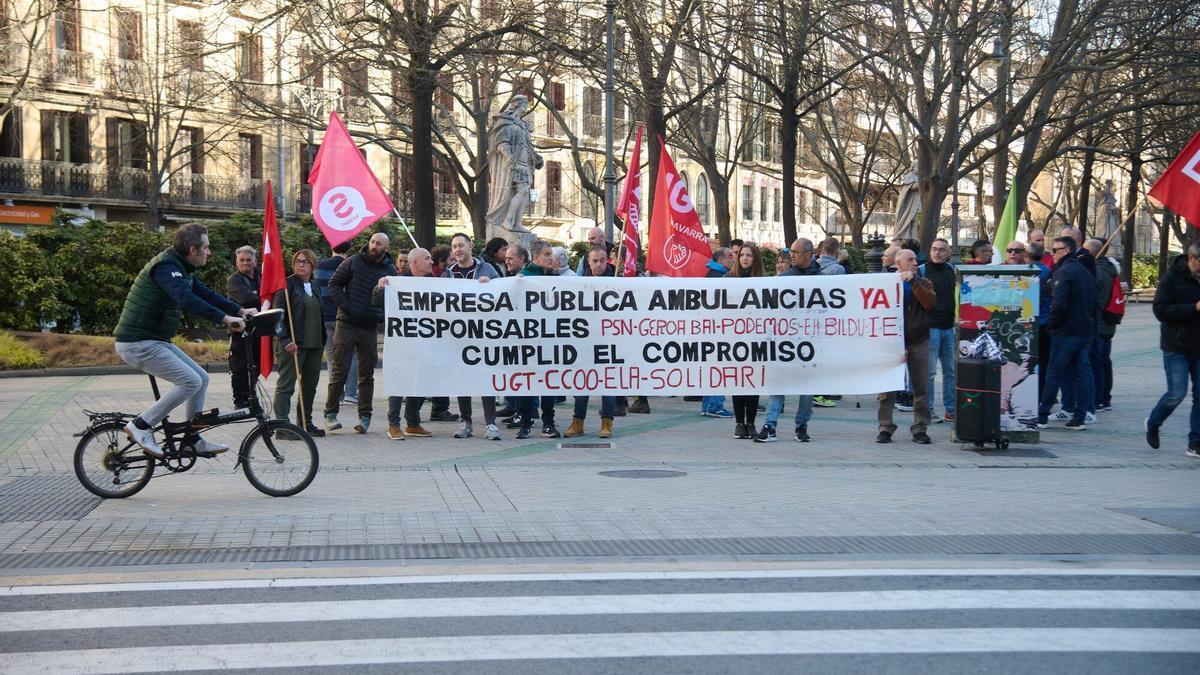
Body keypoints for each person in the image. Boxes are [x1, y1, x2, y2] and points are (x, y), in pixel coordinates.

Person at [113, 223, 254, 458]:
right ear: (192, 249)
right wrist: (224, 318)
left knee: (201, 378)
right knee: (190, 381)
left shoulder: (182, 268)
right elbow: (186, 299)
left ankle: (192, 439)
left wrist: (240, 311)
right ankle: (141, 426)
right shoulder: (166, 267)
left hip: (155, 340)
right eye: (206, 247)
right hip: (138, 343)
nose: (209, 252)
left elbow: (205, 294)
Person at [324, 232, 397, 434]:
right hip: (346, 324)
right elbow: (334, 284)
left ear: (386, 248)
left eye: (379, 243)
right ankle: (330, 414)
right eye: (373, 242)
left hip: (369, 327)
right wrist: (347, 307)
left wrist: (380, 315)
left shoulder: (390, 270)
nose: (374, 246)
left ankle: (365, 417)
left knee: (367, 374)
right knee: (340, 370)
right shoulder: (353, 261)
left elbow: (395, 298)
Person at [756, 238, 821, 443]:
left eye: (795, 251)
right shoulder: (784, 278)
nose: (791, 255)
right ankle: (770, 425)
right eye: (790, 251)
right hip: (784, 339)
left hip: (810, 341)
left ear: (809, 255)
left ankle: (801, 425)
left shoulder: (822, 279)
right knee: (779, 382)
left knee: (807, 389)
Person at [1034, 237, 1094, 431]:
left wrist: (1052, 325)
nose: (1052, 254)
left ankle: (1042, 415)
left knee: (1054, 372)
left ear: (1066, 250)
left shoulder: (1065, 271)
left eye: (1055, 250)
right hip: (1084, 329)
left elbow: (1059, 303)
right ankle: (1079, 416)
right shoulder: (1084, 271)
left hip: (1067, 330)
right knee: (1081, 373)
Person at [1146, 241, 1200, 457]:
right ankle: (1153, 422)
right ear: (1191, 259)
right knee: (1177, 393)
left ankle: (1195, 443)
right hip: (1176, 346)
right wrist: (1193, 308)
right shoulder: (1171, 279)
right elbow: (1160, 310)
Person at [877, 249, 936, 444]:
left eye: (915, 259)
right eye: (909, 260)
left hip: (918, 340)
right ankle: (885, 427)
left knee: (921, 387)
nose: (914, 263)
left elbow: (929, 303)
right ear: (898, 263)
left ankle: (920, 428)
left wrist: (913, 281)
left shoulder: (924, 282)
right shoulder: (885, 284)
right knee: (887, 388)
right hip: (893, 343)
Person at [564, 247, 621, 439]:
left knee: (608, 383)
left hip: (610, 339)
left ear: (608, 261)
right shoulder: (579, 283)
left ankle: (607, 422)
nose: (598, 264)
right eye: (595, 260)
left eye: (602, 260)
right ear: (588, 262)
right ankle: (577, 422)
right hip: (585, 339)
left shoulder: (618, 282)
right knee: (582, 381)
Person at [271, 249, 327, 439]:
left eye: (305, 262)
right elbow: (277, 317)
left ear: (313, 265)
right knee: (286, 385)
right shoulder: (286, 286)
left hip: (315, 344)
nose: (300, 264)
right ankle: (282, 426)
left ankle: (305, 423)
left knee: (309, 386)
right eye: (297, 261)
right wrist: (285, 339)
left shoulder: (315, 286)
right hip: (293, 345)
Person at [729, 243, 764, 439]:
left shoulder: (762, 282)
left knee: (752, 382)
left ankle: (751, 422)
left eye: (749, 255)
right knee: (737, 382)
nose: (744, 258)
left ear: (755, 258)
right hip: (734, 338)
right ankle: (739, 422)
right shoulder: (728, 279)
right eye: (742, 255)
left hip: (755, 338)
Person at [316, 242, 358, 405]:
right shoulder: (350, 265)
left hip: (325, 317)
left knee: (333, 357)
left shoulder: (319, 266)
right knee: (352, 355)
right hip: (344, 317)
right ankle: (351, 393)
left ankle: (337, 394)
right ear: (349, 248)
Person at [922, 238, 957, 423]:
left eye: (942, 250)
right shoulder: (922, 271)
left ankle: (950, 410)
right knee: (930, 373)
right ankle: (928, 410)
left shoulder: (952, 271)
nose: (937, 253)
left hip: (949, 327)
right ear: (930, 251)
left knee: (950, 371)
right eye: (934, 249)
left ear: (947, 252)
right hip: (931, 328)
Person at [1083, 238, 1118, 413]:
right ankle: (1105, 398)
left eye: (1085, 250)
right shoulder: (1110, 269)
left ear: (1093, 253)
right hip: (1108, 322)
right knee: (1104, 361)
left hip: (1098, 322)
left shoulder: (1096, 272)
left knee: (1096, 361)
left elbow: (1091, 298)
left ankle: (1098, 398)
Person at [225, 245, 261, 411]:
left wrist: (256, 294)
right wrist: (258, 296)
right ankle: (239, 401)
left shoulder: (261, 277)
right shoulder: (234, 280)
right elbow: (247, 299)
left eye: (249, 260)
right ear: (237, 262)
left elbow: (268, 295)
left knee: (256, 365)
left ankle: (251, 396)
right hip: (239, 330)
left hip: (259, 329)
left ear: (255, 261)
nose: (245, 263)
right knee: (239, 366)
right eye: (242, 260)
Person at [700, 247, 735, 417]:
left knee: (711, 368)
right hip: (718, 330)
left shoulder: (710, 275)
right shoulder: (720, 278)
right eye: (730, 257)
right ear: (721, 259)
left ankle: (708, 406)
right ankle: (715, 405)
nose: (733, 260)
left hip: (710, 329)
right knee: (718, 367)